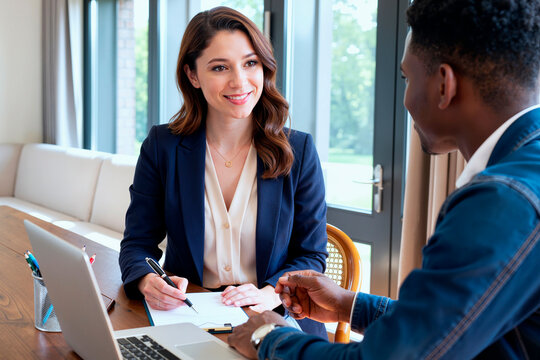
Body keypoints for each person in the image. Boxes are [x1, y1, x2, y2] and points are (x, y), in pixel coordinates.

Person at [228, 0, 540, 358]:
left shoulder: (502, 202)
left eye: (407, 78)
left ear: (443, 85)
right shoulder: (525, 171)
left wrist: (267, 337)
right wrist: (351, 306)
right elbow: (461, 326)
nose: (405, 98)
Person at [118, 6, 328, 337]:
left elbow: (311, 255)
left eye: (250, 63)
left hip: (277, 317)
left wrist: (269, 292)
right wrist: (149, 281)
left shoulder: (298, 151)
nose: (239, 81)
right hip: (192, 316)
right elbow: (137, 244)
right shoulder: (162, 146)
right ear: (192, 75)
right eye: (220, 67)